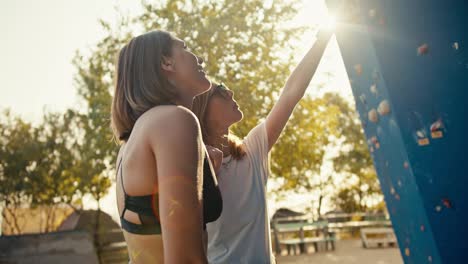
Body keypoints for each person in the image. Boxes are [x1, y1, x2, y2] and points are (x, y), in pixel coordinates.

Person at [192, 29, 333, 263]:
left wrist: (324, 38)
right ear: (202, 110)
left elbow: (290, 94)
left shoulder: (251, 152)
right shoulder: (193, 167)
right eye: (221, 90)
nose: (231, 92)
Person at [111, 30, 221, 263]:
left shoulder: (132, 141)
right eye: (185, 48)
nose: (198, 58)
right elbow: (185, 259)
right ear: (166, 62)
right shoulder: (175, 120)